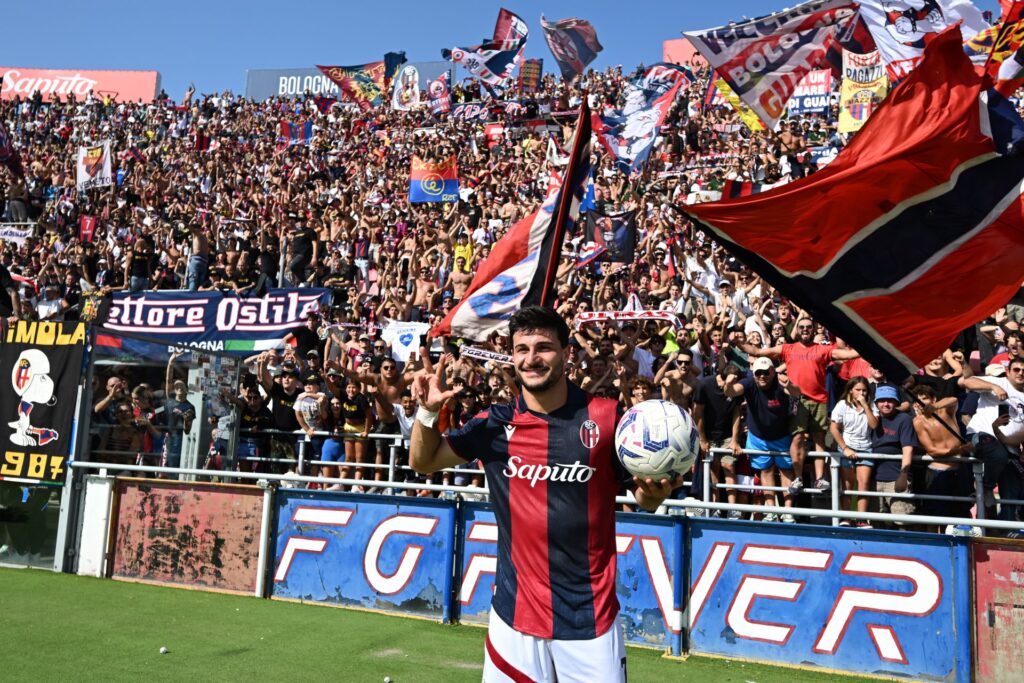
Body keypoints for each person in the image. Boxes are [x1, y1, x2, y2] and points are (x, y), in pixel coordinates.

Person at [410, 306, 678, 682]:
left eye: (543, 348)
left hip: (591, 622)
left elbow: (643, 499)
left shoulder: (606, 418)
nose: (531, 359)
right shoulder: (494, 424)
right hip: (514, 618)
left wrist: (654, 495)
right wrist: (426, 413)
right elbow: (424, 463)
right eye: (522, 349)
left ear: (567, 353)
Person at [723, 357, 803, 522]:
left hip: (781, 436)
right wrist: (728, 384)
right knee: (765, 471)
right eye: (758, 373)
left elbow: (796, 392)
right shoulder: (749, 383)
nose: (762, 376)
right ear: (753, 374)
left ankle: (787, 511)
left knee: (786, 471)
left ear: (773, 372)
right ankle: (771, 510)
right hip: (758, 437)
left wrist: (788, 384)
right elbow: (731, 392)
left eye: (766, 373)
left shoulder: (780, 382)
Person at [962, 355, 1024, 522]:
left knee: (1011, 491)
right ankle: (987, 488)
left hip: (1009, 446)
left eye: (1023, 371)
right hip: (981, 435)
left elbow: (1022, 433)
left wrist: (999, 432)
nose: (1020, 373)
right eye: (1016, 369)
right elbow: (967, 382)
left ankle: (1008, 532)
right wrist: (994, 387)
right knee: (997, 454)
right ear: (1008, 372)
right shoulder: (999, 382)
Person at [829, 377, 878, 525]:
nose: (861, 393)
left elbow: (874, 425)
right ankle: (846, 518)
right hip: (847, 447)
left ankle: (862, 519)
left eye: (864, 390)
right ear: (851, 390)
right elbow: (834, 428)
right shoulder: (842, 405)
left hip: (866, 448)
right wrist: (845, 448)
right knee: (847, 485)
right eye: (858, 390)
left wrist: (865, 405)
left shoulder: (871, 405)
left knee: (864, 483)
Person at [869, 385, 919, 527]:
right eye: (882, 400)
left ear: (896, 402)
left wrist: (903, 475)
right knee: (873, 522)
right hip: (873, 479)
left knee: (902, 521)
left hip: (895, 477)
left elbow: (908, 448)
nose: (886, 404)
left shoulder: (903, 419)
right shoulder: (870, 417)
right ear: (876, 403)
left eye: (890, 400)